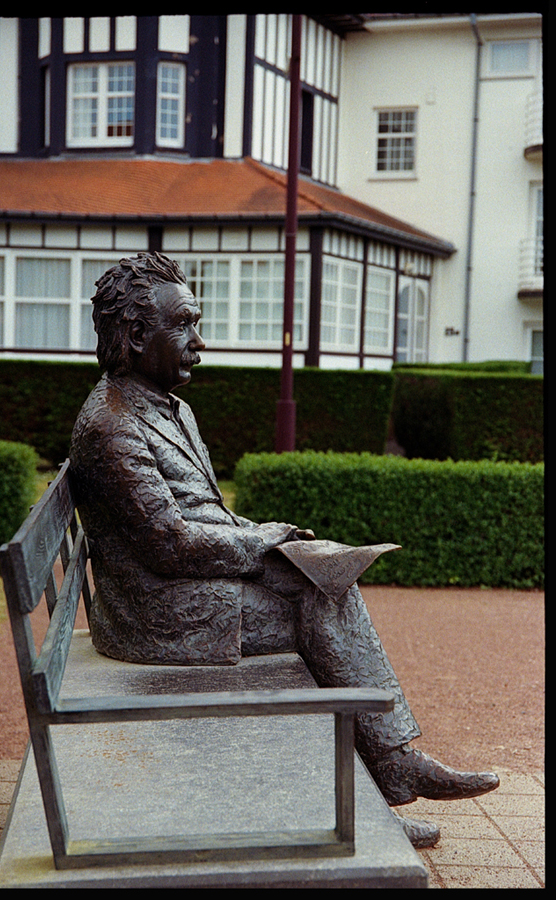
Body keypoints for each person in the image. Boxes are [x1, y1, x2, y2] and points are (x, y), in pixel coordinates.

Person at [70, 252, 499, 848]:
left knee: (325, 581)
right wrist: (260, 543)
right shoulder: (111, 425)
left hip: (184, 587)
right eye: (185, 325)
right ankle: (383, 778)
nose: (200, 342)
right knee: (319, 604)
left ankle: (385, 774)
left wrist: (266, 536)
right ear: (138, 335)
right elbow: (169, 544)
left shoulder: (168, 407)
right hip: (157, 613)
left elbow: (204, 515)